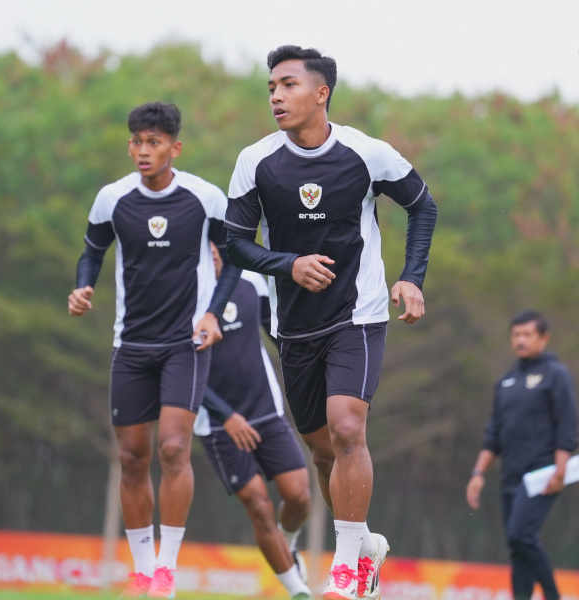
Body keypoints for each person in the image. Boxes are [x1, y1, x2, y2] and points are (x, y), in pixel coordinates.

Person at [224, 45, 438, 600]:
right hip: (293, 326)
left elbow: (423, 205)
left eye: (288, 85)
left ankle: (346, 568)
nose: (275, 95)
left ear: (321, 93)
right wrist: (287, 265)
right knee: (322, 449)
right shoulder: (257, 162)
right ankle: (363, 543)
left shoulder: (366, 154)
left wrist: (412, 276)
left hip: (358, 315)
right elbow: (234, 243)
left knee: (347, 429)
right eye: (271, 86)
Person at [67, 102, 241, 599]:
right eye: (137, 142)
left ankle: (166, 570)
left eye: (154, 143)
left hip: (186, 343)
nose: (143, 151)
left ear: (174, 148)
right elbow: (92, 250)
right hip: (131, 344)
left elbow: (233, 262)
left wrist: (212, 313)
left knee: (172, 447)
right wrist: (83, 286)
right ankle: (141, 571)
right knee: (131, 457)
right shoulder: (112, 199)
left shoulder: (205, 198)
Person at [193, 242, 312, 599]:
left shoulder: (251, 282)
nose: (212, 250)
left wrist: (309, 366)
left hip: (265, 409)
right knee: (259, 504)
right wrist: (228, 418)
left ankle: (286, 544)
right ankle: (297, 590)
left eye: (217, 243)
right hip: (218, 424)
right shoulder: (183, 297)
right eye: (204, 244)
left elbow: (275, 333)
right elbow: (182, 371)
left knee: (299, 497)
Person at [466, 310, 579, 600]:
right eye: (516, 335)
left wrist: (560, 471)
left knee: (521, 536)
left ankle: (553, 595)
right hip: (510, 477)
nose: (521, 340)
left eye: (527, 334)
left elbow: (567, 426)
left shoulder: (556, 374)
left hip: (542, 475)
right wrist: (478, 474)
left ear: (544, 338)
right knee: (517, 548)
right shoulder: (506, 382)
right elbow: (493, 434)